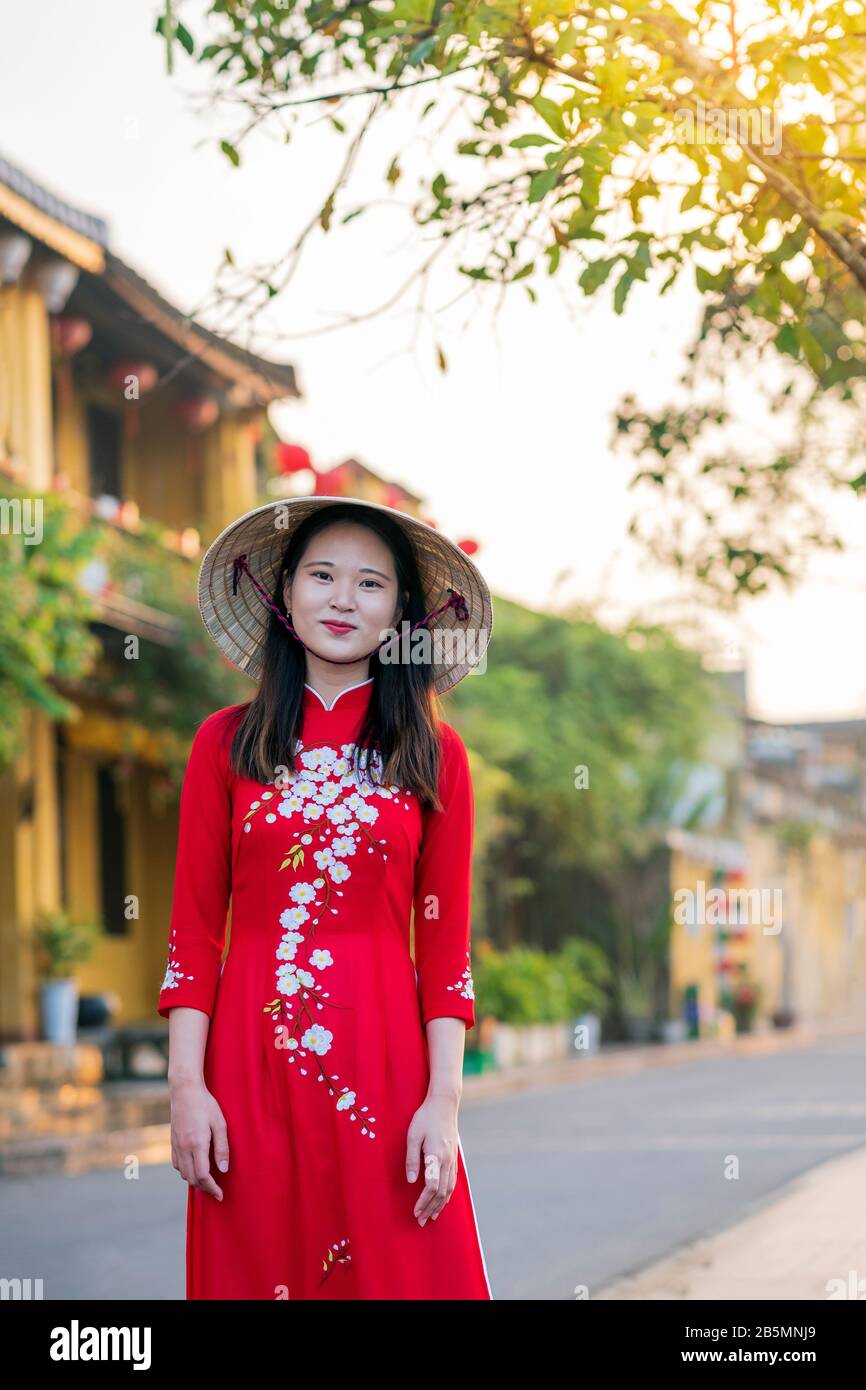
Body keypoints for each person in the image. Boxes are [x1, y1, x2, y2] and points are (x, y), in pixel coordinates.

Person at [157, 494, 494, 1300]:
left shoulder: (436, 757)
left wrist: (442, 1103)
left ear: (401, 611)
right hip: (246, 1069)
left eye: (371, 584)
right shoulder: (224, 745)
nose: (343, 599)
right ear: (284, 594)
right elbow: (195, 934)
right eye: (322, 575)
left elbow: (445, 951)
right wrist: (186, 1087)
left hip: (387, 1072)